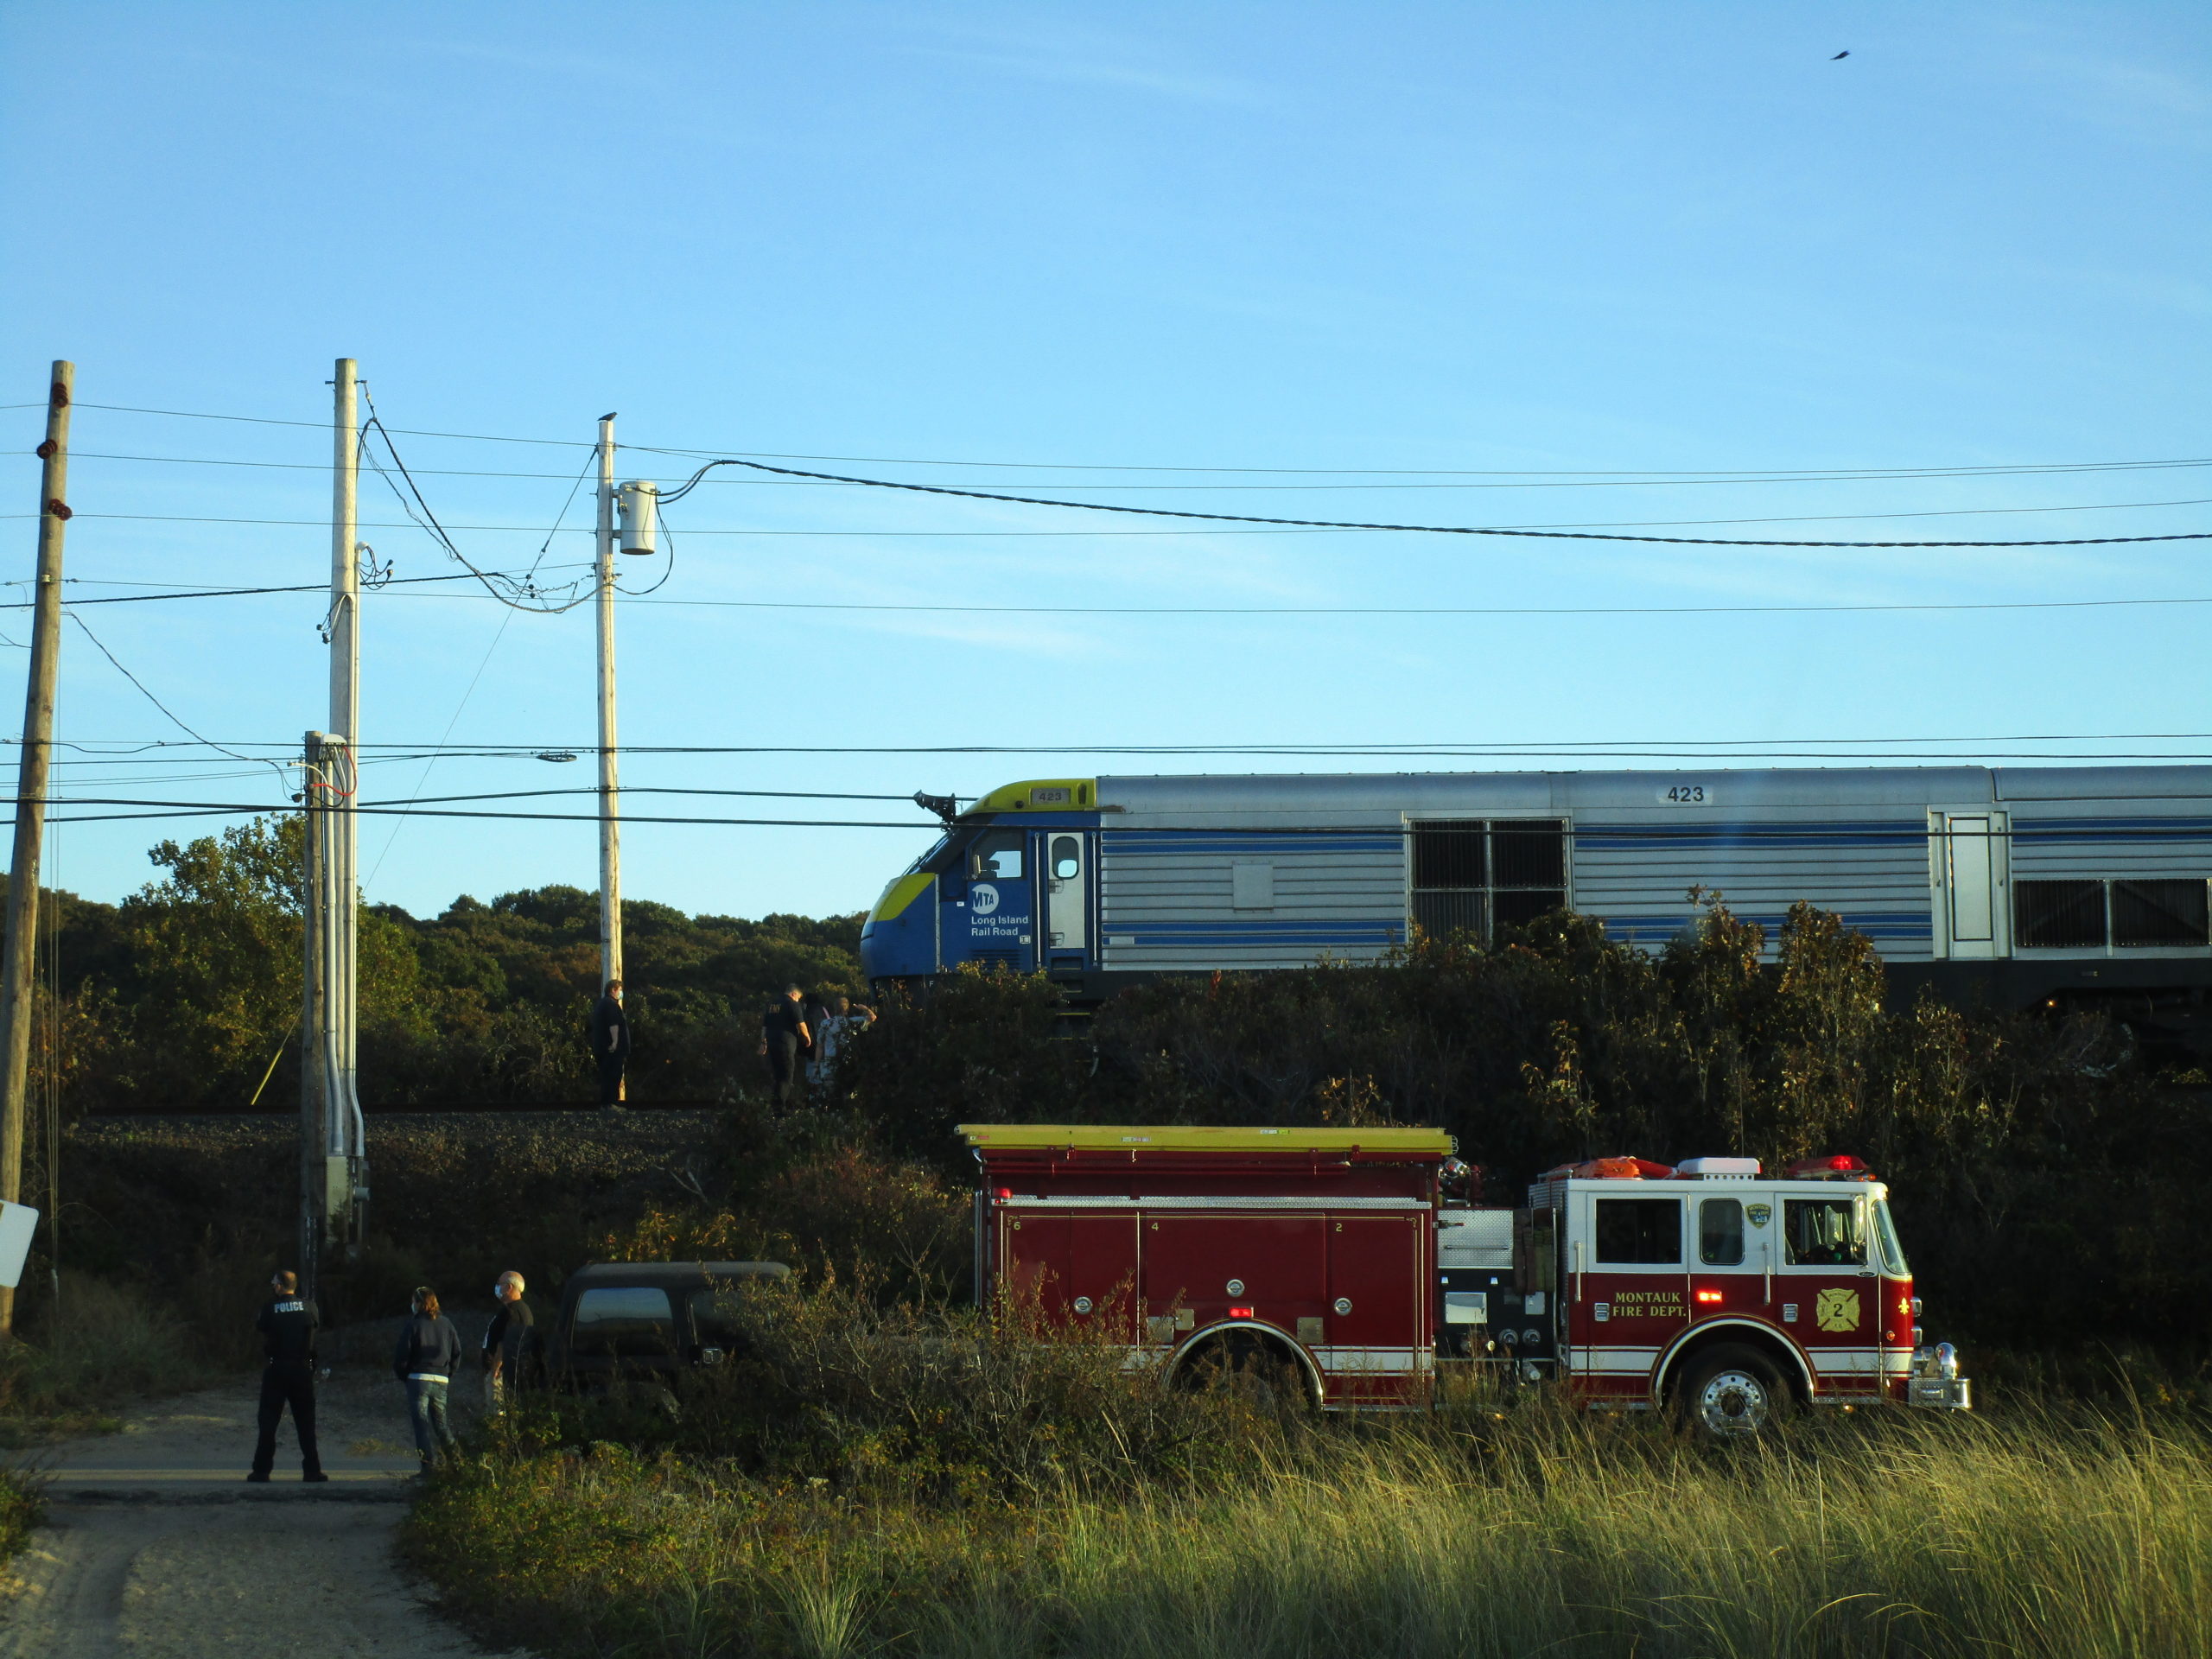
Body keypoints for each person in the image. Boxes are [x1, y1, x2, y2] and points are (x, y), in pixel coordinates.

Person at [248, 1269, 327, 1483]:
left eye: (274, 1283)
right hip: (302, 1370)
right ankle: (312, 1470)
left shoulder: (270, 1308)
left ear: (280, 1286)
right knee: (306, 1423)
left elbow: (262, 1328)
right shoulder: (310, 1307)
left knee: (268, 1422)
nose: (273, 1287)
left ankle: (262, 1471)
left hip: (277, 1370)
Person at [393, 1286, 463, 1475]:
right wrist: (449, 1372)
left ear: (418, 1303)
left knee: (421, 1425)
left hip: (418, 1377)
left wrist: (403, 1374)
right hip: (441, 1377)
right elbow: (457, 1351)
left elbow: (402, 1354)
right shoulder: (446, 1323)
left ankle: (428, 1467)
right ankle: (457, 1462)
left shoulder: (414, 1324)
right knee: (441, 1424)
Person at [481, 1270, 534, 1415]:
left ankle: (499, 1438)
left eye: (500, 1284)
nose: (497, 1287)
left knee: (497, 1413)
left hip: (502, 1373)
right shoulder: (517, 1309)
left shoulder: (513, 1311)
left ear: (509, 1287)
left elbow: (505, 1341)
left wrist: (496, 1367)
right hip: (508, 1371)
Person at [757, 984, 811, 1109]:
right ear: (793, 994)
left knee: (778, 1076)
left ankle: (773, 1106)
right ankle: (779, 1109)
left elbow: (764, 1026)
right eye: (798, 997)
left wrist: (763, 1043)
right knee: (786, 1077)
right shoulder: (792, 1004)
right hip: (785, 1044)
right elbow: (801, 1024)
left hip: (771, 1043)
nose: (798, 1000)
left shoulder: (773, 1004)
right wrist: (808, 1037)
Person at [806, 994, 874, 1089]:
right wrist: (864, 1008)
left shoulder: (826, 1024)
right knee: (847, 1092)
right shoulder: (853, 1022)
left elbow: (820, 1046)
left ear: (834, 1008)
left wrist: (816, 1066)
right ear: (847, 1010)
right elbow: (872, 1017)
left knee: (829, 1092)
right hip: (847, 1063)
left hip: (828, 1064)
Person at [589, 979, 631, 1108]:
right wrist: (615, 1043)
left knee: (607, 1076)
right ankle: (611, 1104)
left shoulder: (602, 1004)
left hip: (602, 1048)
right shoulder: (611, 1005)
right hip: (612, 1050)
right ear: (613, 989)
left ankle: (607, 1104)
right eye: (620, 990)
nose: (621, 993)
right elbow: (614, 1025)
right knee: (613, 1076)